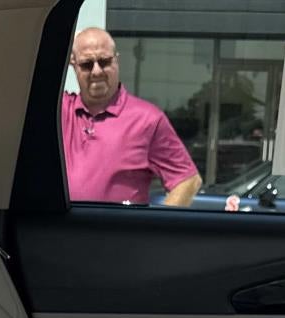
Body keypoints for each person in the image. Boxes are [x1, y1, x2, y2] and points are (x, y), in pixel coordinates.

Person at [61, 28, 203, 207]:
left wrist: (153, 223)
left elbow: (188, 181)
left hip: (118, 226)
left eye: (104, 62)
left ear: (117, 61)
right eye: (87, 64)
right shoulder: (58, 111)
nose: (96, 71)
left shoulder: (148, 119)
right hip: (61, 225)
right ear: (73, 65)